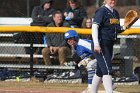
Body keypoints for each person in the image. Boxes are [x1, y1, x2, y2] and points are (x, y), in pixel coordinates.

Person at [91, 0, 125, 93]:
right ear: (105, 0)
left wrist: (125, 27)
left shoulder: (115, 13)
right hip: (101, 44)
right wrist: (96, 44)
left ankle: (92, 91)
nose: (113, 1)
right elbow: (94, 27)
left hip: (109, 45)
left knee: (100, 71)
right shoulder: (102, 11)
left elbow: (117, 29)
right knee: (107, 70)